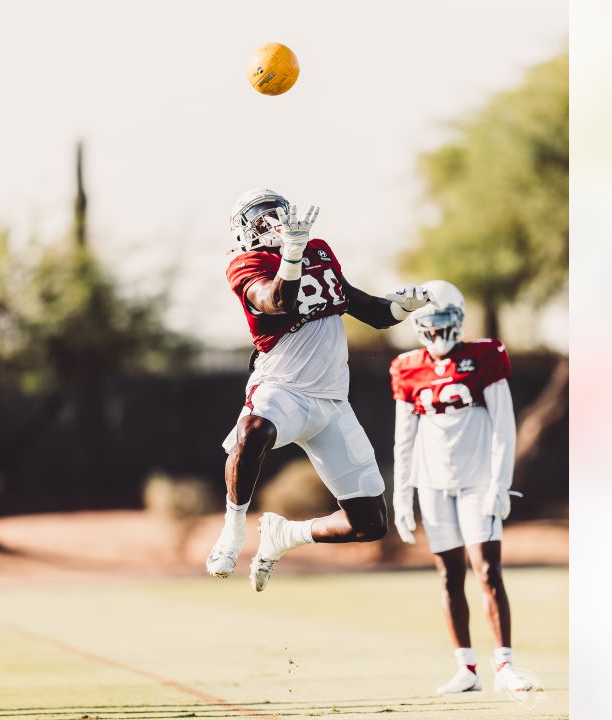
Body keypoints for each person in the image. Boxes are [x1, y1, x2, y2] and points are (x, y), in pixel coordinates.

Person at [205, 187, 433, 592]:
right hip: (283, 389)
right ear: (246, 230)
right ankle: (233, 529)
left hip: (332, 404)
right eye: (262, 218)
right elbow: (279, 301)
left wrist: (402, 307)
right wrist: (290, 255)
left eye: (278, 213)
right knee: (254, 430)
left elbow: (367, 311)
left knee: (369, 524)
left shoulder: (319, 250)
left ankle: (284, 536)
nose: (274, 222)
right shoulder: (247, 263)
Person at [389, 280, 537, 694]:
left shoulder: (484, 356)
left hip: (477, 482)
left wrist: (499, 483)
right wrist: (403, 495)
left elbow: (504, 425)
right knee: (448, 574)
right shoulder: (406, 367)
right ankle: (466, 669)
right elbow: (404, 437)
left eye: (442, 323)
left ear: (457, 319)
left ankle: (504, 665)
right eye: (428, 325)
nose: (436, 334)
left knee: (487, 571)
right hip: (432, 485)